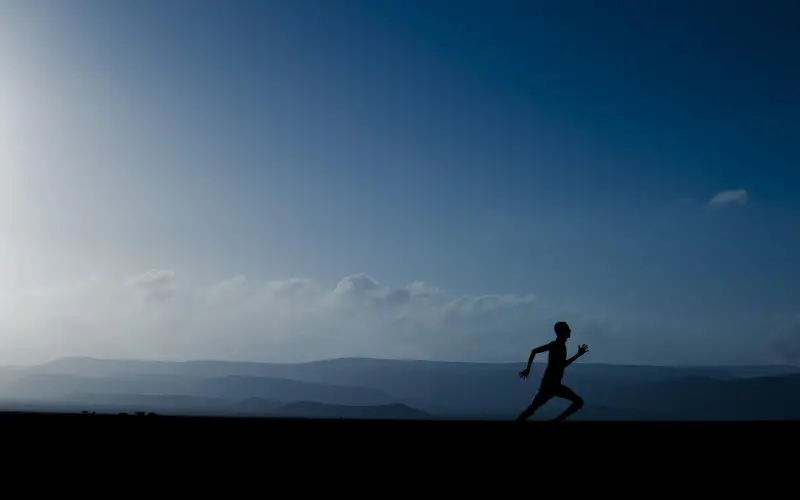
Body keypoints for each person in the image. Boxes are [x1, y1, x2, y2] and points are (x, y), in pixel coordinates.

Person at [515, 321, 589, 422]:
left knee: (532, 409)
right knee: (578, 402)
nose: (570, 331)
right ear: (561, 332)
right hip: (551, 385)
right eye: (567, 329)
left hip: (552, 384)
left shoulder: (558, 345)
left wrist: (528, 369)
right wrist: (577, 355)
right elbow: (562, 364)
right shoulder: (557, 346)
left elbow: (535, 351)